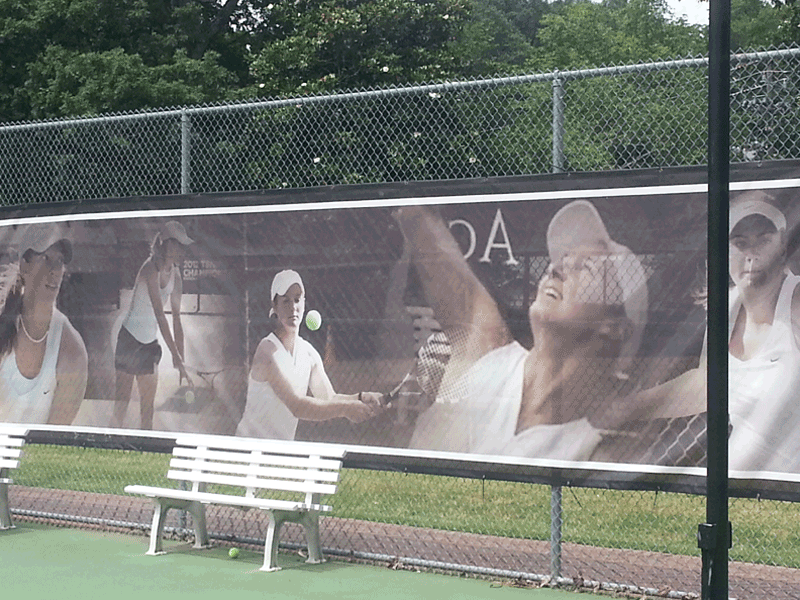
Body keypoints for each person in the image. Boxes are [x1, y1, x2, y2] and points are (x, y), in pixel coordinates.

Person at [395, 201, 648, 461]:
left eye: (585, 267)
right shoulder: (486, 349)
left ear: (615, 327)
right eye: (564, 259)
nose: (556, 268)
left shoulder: (596, 453)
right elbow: (415, 215)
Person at [628, 191, 800, 472]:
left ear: (782, 245)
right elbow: (706, 385)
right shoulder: (726, 307)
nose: (751, 253)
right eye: (740, 242)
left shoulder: (796, 300)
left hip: (787, 493)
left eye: (764, 239)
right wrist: (622, 410)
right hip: (740, 490)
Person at [235, 269, 385, 440]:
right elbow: (297, 406)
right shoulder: (267, 351)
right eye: (285, 301)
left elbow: (329, 397)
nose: (293, 307)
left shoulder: (309, 354)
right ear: (274, 306)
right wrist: (346, 409)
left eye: (297, 300)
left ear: (304, 303)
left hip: (280, 453)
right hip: (248, 450)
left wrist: (360, 397)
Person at [0, 224, 88, 425]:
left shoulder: (72, 351)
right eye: (46, 258)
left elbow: (54, 443)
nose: (55, 270)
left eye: (60, 261)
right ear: (24, 266)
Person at [112, 220, 193, 430]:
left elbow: (176, 319)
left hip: (149, 345)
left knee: (147, 412)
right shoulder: (150, 269)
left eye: (183, 245)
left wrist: (180, 359)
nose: (182, 249)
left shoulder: (176, 276)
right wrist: (175, 356)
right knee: (120, 408)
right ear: (166, 245)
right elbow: (159, 314)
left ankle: (144, 456)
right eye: (178, 244)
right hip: (128, 341)